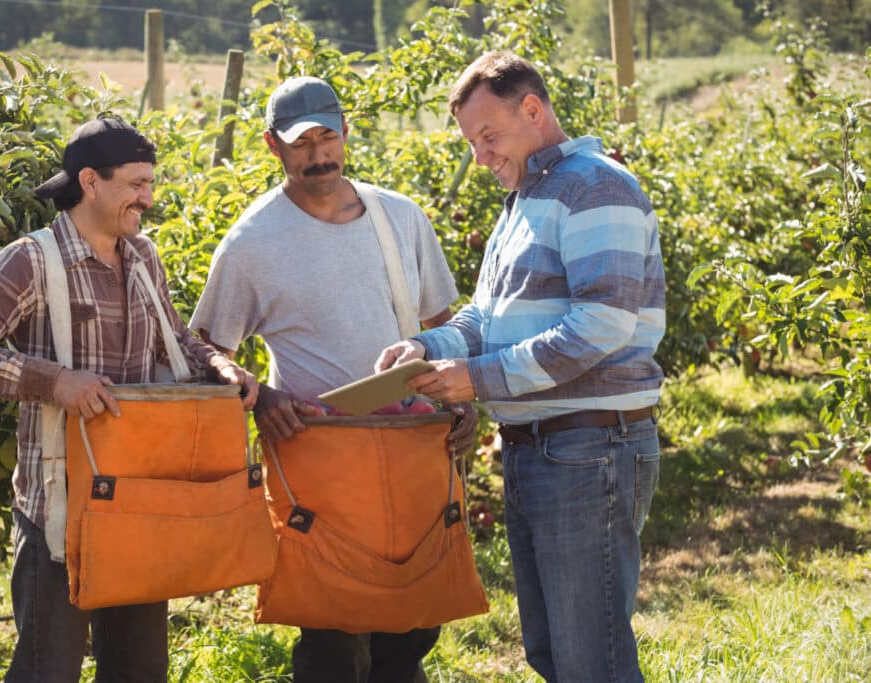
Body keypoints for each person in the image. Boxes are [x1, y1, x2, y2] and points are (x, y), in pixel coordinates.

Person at [0, 116, 258, 682]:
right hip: (62, 510)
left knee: (139, 670)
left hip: (139, 500)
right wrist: (53, 381)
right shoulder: (31, 260)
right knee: (47, 671)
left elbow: (175, 339)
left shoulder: (143, 256)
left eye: (149, 183)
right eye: (135, 184)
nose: (147, 198)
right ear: (89, 182)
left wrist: (219, 365)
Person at [377, 52, 665, 683]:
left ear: (532, 111)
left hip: (589, 446)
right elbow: (487, 316)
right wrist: (430, 349)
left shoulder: (594, 187)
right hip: (539, 448)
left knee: (592, 660)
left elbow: (602, 325)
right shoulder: (525, 200)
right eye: (472, 143)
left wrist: (476, 379)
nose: (480, 156)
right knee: (551, 652)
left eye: (489, 136)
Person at [188, 76, 475, 683]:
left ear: (346, 133)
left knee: (414, 619)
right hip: (322, 457)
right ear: (273, 147)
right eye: (301, 144)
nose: (319, 155)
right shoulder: (251, 244)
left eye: (327, 137)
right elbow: (207, 350)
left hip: (411, 444)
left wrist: (461, 395)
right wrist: (261, 397)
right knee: (331, 631)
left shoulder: (400, 218)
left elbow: (442, 327)